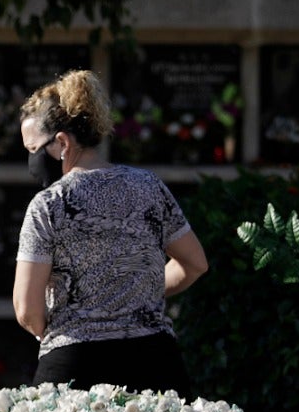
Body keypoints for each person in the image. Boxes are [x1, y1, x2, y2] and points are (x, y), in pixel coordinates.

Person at [13, 69, 208, 394]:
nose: (31, 161)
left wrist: (69, 324)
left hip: (75, 367)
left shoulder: (48, 205)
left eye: (33, 150)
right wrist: (133, 295)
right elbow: (195, 263)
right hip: (155, 365)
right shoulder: (149, 187)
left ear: (61, 142)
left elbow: (26, 309)